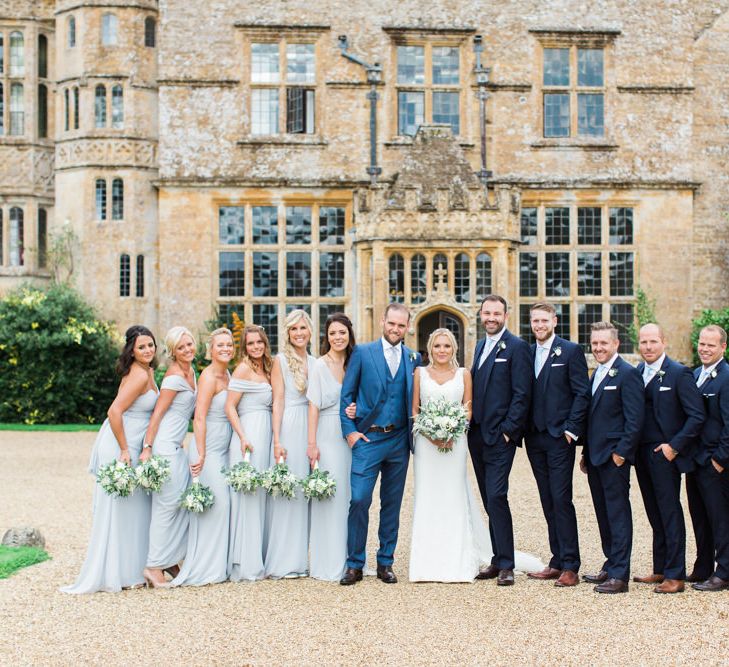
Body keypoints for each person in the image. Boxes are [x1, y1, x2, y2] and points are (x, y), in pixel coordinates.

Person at [61, 325, 158, 594]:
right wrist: (125, 449)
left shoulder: (147, 371)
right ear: (132, 350)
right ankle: (118, 573)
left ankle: (131, 569)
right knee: (120, 508)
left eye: (150, 345)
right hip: (120, 442)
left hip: (133, 440)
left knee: (133, 508)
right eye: (141, 347)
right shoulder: (138, 375)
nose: (147, 350)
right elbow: (114, 411)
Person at [339, 303, 421, 585]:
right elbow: (346, 394)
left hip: (399, 439)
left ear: (407, 327)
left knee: (392, 504)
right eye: (392, 324)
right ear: (383, 322)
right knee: (359, 499)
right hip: (368, 438)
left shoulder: (414, 358)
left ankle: (386, 561)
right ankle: (355, 563)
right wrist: (350, 431)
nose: (396, 329)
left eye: (401, 325)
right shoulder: (363, 352)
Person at [633, 323, 705, 594]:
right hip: (641, 453)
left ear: (664, 341)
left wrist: (674, 447)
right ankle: (660, 568)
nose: (648, 347)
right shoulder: (637, 372)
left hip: (666, 456)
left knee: (670, 512)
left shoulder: (679, 373)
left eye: (653, 341)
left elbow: (696, 415)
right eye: (643, 342)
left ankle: (675, 574)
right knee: (653, 512)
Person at [468, 295, 531, 586]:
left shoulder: (517, 347)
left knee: (496, 496)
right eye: (487, 313)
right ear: (481, 315)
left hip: (500, 437)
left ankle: (507, 563)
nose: (491, 318)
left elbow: (522, 392)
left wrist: (509, 430)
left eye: (496, 313)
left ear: (506, 315)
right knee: (487, 498)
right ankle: (496, 559)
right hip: (477, 435)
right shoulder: (481, 345)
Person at [525, 303, 589, 588]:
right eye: (535, 321)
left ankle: (571, 565)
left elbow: (581, 393)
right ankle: (556, 560)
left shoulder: (570, 351)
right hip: (535, 438)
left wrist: (571, 430)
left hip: (559, 438)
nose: (539, 325)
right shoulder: (528, 352)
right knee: (546, 498)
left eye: (543, 320)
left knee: (561, 498)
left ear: (554, 321)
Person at [581, 321, 644, 594]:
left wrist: (621, 454)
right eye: (595, 344)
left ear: (616, 344)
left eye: (603, 343)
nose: (598, 348)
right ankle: (610, 563)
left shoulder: (627, 374)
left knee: (617, 514)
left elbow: (635, 419)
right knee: (603, 513)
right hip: (595, 458)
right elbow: (593, 418)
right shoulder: (596, 373)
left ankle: (620, 575)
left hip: (613, 458)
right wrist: (585, 453)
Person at [171, 328, 233, 586]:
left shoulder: (228, 373)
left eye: (229, 344)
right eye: (220, 345)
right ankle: (205, 567)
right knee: (218, 506)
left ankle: (219, 564)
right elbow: (199, 416)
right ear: (211, 349)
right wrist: (202, 451)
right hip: (207, 449)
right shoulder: (208, 377)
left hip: (224, 448)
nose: (226, 349)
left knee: (223, 506)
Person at [142, 326, 197, 588]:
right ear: (173, 351)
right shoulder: (174, 378)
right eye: (181, 347)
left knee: (177, 504)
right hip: (165, 446)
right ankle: (153, 566)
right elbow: (157, 416)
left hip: (178, 446)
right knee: (166, 506)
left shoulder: (192, 372)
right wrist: (147, 447)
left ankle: (171, 560)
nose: (187, 350)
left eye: (189, 344)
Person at [265, 309, 315, 578]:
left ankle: (303, 558)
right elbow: (278, 401)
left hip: (312, 427)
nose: (299, 333)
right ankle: (284, 561)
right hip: (291, 424)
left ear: (310, 331)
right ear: (287, 333)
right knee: (290, 491)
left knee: (308, 492)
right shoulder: (280, 361)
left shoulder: (315, 361)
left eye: (303, 328)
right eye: (294, 329)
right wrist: (277, 439)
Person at [306, 313, 355, 581]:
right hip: (326, 434)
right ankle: (327, 562)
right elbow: (312, 406)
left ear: (349, 334)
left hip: (350, 435)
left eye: (342, 332)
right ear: (327, 337)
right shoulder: (319, 366)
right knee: (330, 497)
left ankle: (351, 559)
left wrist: (357, 408)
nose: (338, 337)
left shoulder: (354, 362)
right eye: (333, 333)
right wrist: (311, 443)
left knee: (350, 497)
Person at [225, 325, 273, 582]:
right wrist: (243, 436)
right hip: (249, 436)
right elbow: (229, 406)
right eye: (251, 343)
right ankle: (245, 563)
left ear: (265, 343)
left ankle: (259, 556)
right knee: (248, 497)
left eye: (259, 342)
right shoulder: (243, 368)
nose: (255, 347)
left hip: (265, 435)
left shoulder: (267, 368)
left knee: (260, 496)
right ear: (245, 346)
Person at [687, 324, 729, 591]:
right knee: (699, 516)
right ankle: (703, 567)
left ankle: (724, 571)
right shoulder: (694, 375)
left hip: (716, 462)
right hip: (695, 461)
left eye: (711, 345)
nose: (704, 349)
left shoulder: (726, 377)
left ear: (723, 347)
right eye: (702, 344)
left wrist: (720, 459)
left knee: (720, 518)